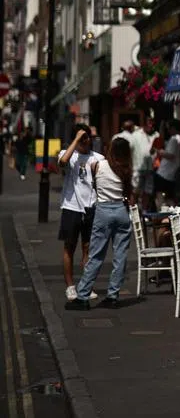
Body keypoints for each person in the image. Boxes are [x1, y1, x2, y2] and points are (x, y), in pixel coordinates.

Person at [66, 137, 134, 310]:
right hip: (121, 210)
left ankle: (83, 296)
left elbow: (93, 184)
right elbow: (130, 195)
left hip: (103, 210)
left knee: (96, 255)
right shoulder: (126, 170)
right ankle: (113, 296)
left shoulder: (97, 165)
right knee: (120, 256)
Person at [58, 124, 105, 302]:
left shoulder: (98, 158)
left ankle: (86, 286)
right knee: (69, 247)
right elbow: (62, 163)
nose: (86, 141)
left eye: (88, 137)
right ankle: (70, 287)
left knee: (88, 248)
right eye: (82, 138)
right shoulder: (68, 155)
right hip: (71, 207)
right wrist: (76, 140)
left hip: (91, 207)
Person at [153, 120, 180, 204]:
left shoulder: (174, 139)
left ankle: (160, 213)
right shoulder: (179, 138)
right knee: (170, 198)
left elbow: (170, 155)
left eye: (169, 128)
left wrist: (158, 151)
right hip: (171, 173)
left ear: (173, 128)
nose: (168, 131)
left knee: (160, 197)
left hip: (164, 173)